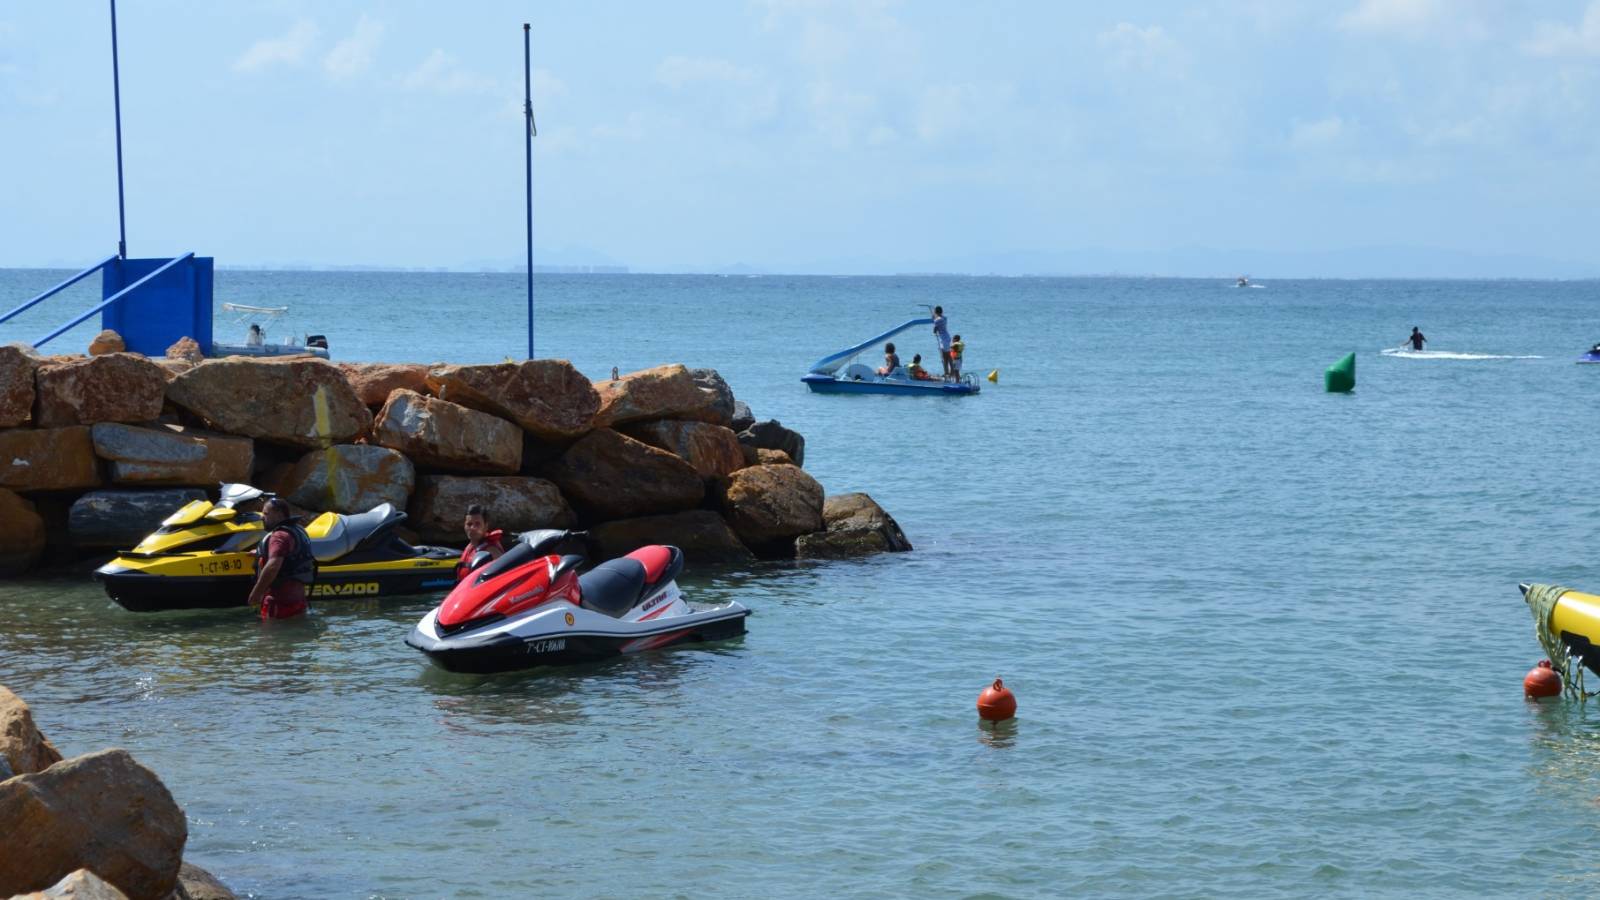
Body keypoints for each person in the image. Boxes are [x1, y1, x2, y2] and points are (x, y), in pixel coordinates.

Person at [247, 498, 315, 620]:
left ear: (279, 514)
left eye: (266, 514)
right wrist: (260, 553)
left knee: (269, 638)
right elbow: (292, 555)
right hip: (299, 602)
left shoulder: (279, 536)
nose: (262, 517)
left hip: (279, 604)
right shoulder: (298, 530)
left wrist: (256, 593)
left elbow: (273, 566)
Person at [457, 503, 505, 582]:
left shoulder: (492, 551)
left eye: (477, 524)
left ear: (486, 526)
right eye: (469, 524)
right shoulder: (470, 546)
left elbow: (503, 578)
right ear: (464, 526)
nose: (472, 528)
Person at [932, 306, 952, 378]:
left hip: (943, 339)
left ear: (936, 312)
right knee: (947, 356)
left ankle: (949, 372)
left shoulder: (937, 320)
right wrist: (934, 317)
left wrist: (934, 319)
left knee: (945, 356)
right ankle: (947, 372)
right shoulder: (944, 318)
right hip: (946, 337)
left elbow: (935, 330)